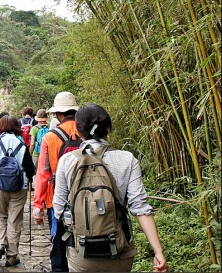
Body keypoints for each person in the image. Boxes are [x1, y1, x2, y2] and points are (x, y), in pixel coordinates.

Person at [53, 103, 169, 272]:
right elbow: (140, 208)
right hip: (120, 251)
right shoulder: (127, 160)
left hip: (82, 253)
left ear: (78, 131)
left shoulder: (67, 161)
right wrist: (158, 251)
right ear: (108, 128)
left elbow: (58, 210)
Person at [33, 91, 81, 272]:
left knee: (59, 245)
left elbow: (44, 174)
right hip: (85, 197)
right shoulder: (87, 132)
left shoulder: (50, 137)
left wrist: (38, 205)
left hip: (56, 200)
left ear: (58, 114)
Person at [0, 114, 35, 267]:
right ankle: (12, 256)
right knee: (14, 221)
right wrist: (29, 177)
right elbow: (30, 169)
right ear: (17, 127)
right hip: (19, 188)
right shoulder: (21, 143)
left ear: (1, 126)